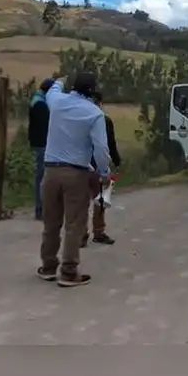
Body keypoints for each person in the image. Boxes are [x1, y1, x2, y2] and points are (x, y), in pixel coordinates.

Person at [37, 73, 111, 287]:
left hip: (50, 171)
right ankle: (68, 271)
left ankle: (48, 266)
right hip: (76, 173)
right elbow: (101, 149)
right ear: (92, 91)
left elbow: (52, 90)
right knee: (74, 224)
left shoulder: (57, 101)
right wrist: (104, 173)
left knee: (51, 223)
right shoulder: (95, 113)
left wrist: (60, 80)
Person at [82, 90, 120, 247]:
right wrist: (116, 162)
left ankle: (81, 234)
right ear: (100, 103)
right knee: (100, 201)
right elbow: (110, 145)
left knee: (82, 203)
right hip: (98, 165)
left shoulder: (79, 119)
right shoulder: (105, 120)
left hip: (81, 165)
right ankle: (98, 232)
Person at [29, 78, 54, 221]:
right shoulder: (41, 105)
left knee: (42, 176)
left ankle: (41, 208)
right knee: (43, 177)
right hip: (43, 144)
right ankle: (41, 208)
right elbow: (46, 126)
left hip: (39, 143)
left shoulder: (37, 100)